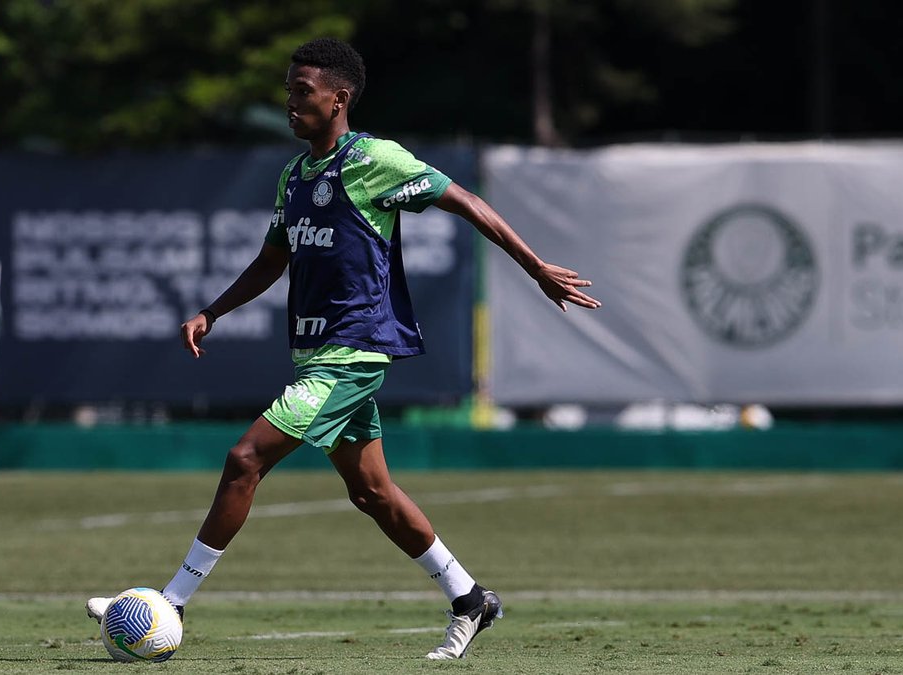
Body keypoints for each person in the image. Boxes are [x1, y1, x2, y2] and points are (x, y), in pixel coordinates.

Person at [88, 37, 600, 660]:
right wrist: (212, 311)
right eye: (287, 92)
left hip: (352, 351)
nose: (290, 104)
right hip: (315, 354)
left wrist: (536, 266)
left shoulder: (374, 160)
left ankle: (170, 602)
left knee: (245, 458)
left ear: (338, 99)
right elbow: (271, 261)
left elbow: (463, 200)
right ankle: (470, 598)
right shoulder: (295, 175)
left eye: (301, 92)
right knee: (372, 494)